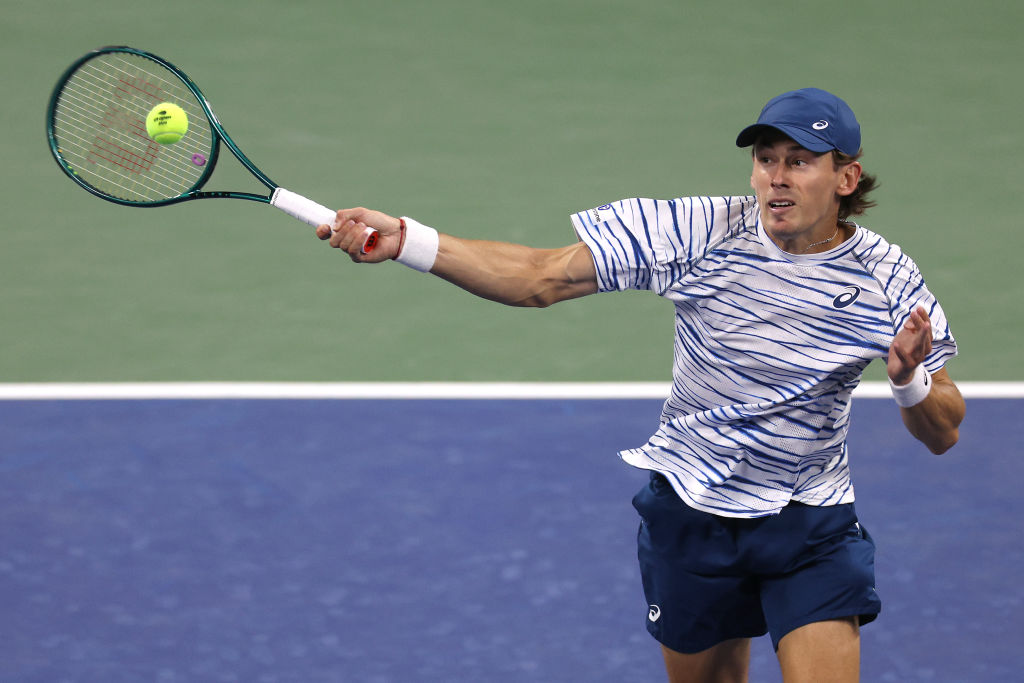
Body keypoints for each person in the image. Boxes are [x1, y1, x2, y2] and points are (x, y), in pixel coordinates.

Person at [317, 88, 966, 682]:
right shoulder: (699, 232)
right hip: (693, 511)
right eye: (766, 159)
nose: (776, 176)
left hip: (808, 522)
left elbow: (944, 430)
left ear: (846, 178)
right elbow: (541, 276)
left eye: (799, 161)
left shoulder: (885, 279)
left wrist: (908, 379)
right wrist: (408, 241)